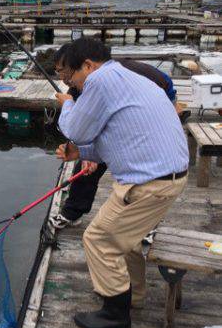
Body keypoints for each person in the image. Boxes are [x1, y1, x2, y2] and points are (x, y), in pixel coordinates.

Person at [55, 38, 189, 328]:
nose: (71, 85)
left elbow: (75, 128)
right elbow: (124, 134)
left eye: (70, 77)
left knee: (99, 239)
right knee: (124, 239)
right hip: (167, 176)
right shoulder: (128, 77)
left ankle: (116, 314)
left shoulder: (100, 80)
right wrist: (83, 153)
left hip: (148, 184)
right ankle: (132, 297)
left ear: (88, 65)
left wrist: (66, 107)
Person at [50, 47, 184, 233]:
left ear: (84, 64)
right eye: (59, 73)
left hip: (153, 118)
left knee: (99, 241)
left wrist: (170, 109)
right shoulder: (79, 87)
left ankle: (147, 225)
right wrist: (85, 152)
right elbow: (84, 127)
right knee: (85, 168)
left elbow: (165, 83)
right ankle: (73, 212)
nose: (65, 79)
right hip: (118, 127)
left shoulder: (129, 73)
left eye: (66, 72)